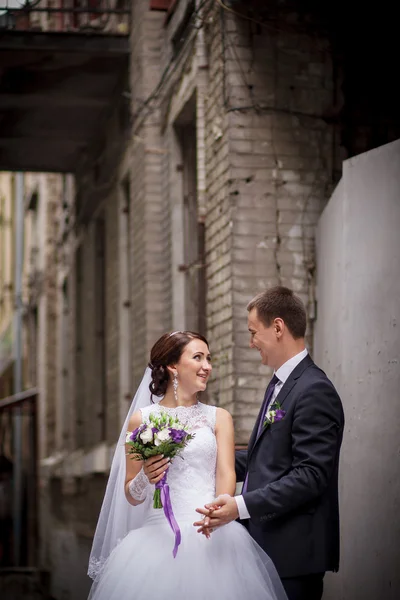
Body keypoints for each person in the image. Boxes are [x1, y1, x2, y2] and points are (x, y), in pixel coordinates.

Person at [87, 330, 287, 600]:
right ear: (173, 366)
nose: (207, 366)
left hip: (212, 533)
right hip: (156, 538)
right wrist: (147, 476)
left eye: (209, 358)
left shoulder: (219, 417)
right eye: (198, 357)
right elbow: (132, 496)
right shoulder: (142, 420)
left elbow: (226, 473)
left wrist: (218, 511)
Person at [194, 287, 345, 600]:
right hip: (264, 548)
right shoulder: (279, 384)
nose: (251, 343)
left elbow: (311, 476)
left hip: (293, 556)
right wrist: (195, 457)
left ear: (277, 328)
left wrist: (239, 506)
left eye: (253, 333)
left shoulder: (314, 390)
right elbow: (262, 459)